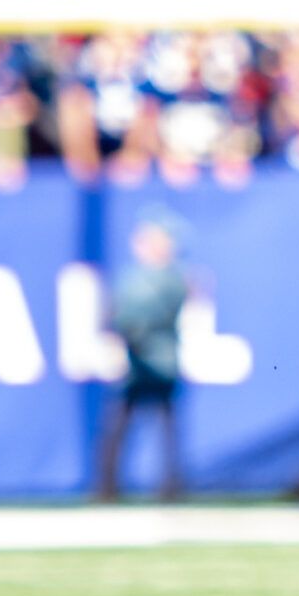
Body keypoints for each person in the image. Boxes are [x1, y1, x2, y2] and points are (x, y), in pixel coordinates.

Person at [95, 211, 193, 503]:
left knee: (165, 429)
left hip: (160, 362)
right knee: (118, 428)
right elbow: (115, 312)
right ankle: (107, 489)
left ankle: (170, 488)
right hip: (134, 364)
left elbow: (147, 315)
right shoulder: (134, 276)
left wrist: (127, 326)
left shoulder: (173, 277)